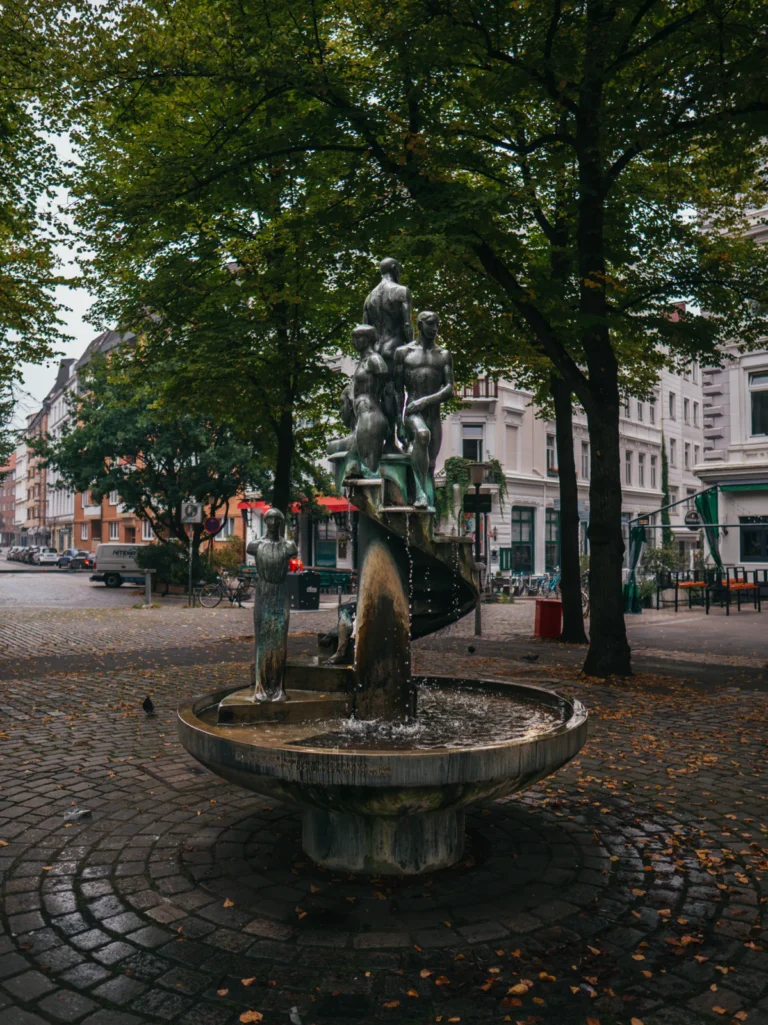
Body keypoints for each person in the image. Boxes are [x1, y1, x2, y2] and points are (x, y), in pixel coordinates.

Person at [394, 311, 454, 508]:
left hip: (432, 415)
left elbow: (449, 389)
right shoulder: (404, 353)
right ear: (419, 326)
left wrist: (426, 401)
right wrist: (399, 424)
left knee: (430, 465)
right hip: (413, 413)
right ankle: (420, 494)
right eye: (430, 325)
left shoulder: (443, 355)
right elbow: (396, 391)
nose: (435, 329)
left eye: (436, 325)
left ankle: (427, 511)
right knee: (422, 435)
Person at [246, 507, 297, 702]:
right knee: (262, 637)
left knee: (279, 636)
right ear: (265, 522)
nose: (274, 524)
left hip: (281, 591)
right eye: (270, 520)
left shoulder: (288, 545)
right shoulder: (255, 545)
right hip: (264, 591)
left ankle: (278, 687)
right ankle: (261, 686)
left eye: (277, 520)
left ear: (281, 523)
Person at [362, 258, 413, 449]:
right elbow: (407, 324)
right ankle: (397, 435)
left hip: (376, 351)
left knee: (379, 395)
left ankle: (384, 440)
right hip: (396, 348)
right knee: (397, 392)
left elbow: (366, 330)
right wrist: (413, 347)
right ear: (394, 268)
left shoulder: (370, 297)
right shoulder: (402, 291)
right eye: (399, 267)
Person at [328, 324, 389, 478]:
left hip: (370, 417)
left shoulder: (374, 360)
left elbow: (387, 383)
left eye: (358, 338)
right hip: (362, 418)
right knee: (332, 448)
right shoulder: (362, 362)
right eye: (353, 338)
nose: (354, 341)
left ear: (368, 339)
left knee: (368, 472)